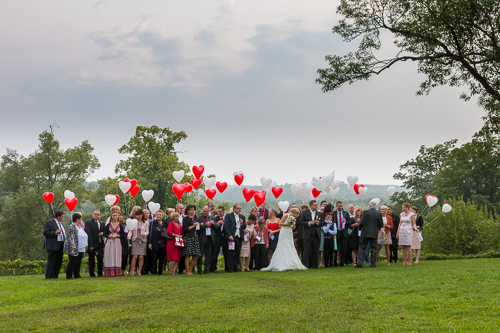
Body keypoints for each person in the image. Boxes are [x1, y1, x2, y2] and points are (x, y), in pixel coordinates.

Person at [357, 200, 384, 268]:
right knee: (374, 248)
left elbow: (361, 222)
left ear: (369, 206)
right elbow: (381, 224)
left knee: (362, 247)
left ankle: (361, 263)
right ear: (376, 206)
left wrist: (359, 228)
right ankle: (373, 264)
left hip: (365, 232)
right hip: (374, 233)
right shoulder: (379, 214)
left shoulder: (365, 212)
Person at [299, 200, 325, 269]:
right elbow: (301, 222)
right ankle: (304, 265)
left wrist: (319, 222)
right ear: (310, 206)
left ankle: (315, 265)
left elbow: (323, 222)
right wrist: (309, 223)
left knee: (315, 250)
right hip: (307, 235)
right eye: (315, 205)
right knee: (306, 251)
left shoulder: (319, 214)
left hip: (316, 235)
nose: (316, 206)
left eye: (316, 205)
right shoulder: (305, 213)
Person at [63, 212, 87, 279]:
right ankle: (69, 275)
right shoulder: (72, 226)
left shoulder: (79, 227)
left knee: (78, 262)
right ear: (77, 219)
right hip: (73, 247)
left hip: (80, 247)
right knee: (73, 262)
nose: (81, 220)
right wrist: (73, 245)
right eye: (80, 219)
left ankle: (77, 274)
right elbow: (71, 236)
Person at [43, 210, 66, 279]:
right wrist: (55, 232)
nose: (63, 218)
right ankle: (48, 275)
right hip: (52, 245)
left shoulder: (61, 223)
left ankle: (55, 275)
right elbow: (45, 232)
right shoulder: (49, 222)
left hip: (60, 244)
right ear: (58, 216)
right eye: (62, 216)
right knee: (52, 261)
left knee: (59, 261)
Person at [224, 204, 246, 273]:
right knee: (230, 253)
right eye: (238, 208)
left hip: (239, 237)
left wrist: (242, 223)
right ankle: (229, 268)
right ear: (234, 209)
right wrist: (229, 235)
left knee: (237, 253)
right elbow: (226, 227)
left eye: (240, 208)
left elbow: (245, 227)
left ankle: (235, 267)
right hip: (231, 237)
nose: (239, 209)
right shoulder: (228, 216)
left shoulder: (242, 217)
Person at [128, 208, 149, 276]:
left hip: (142, 241)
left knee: (141, 257)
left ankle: (139, 271)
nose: (138, 216)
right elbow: (130, 230)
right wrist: (129, 236)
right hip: (135, 240)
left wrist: (144, 234)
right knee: (135, 256)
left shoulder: (146, 223)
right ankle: (132, 271)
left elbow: (147, 231)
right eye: (137, 215)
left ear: (142, 215)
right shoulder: (134, 222)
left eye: (139, 215)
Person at [181, 205, 202, 275]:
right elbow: (185, 229)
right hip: (188, 237)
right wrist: (193, 225)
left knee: (196, 255)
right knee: (188, 254)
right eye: (191, 210)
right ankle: (187, 271)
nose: (193, 211)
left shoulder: (196, 219)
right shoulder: (185, 219)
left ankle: (190, 270)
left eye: (193, 210)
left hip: (195, 237)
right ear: (187, 211)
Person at [103, 212, 124, 277]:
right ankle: (108, 272)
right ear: (111, 216)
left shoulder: (120, 225)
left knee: (116, 255)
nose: (114, 217)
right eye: (113, 215)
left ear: (118, 217)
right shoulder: (108, 225)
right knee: (109, 255)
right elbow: (105, 233)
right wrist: (109, 236)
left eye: (116, 216)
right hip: (110, 241)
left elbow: (123, 234)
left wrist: (117, 236)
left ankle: (116, 272)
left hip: (117, 242)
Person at [85, 210, 105, 277]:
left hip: (100, 243)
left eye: (98, 215)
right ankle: (92, 273)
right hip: (92, 243)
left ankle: (100, 273)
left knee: (100, 259)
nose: (96, 216)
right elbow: (88, 234)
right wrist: (90, 245)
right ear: (92, 214)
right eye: (95, 214)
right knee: (92, 259)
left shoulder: (101, 223)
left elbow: (105, 231)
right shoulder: (89, 223)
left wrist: (103, 233)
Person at [196, 206, 214, 274]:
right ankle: (199, 269)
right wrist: (205, 225)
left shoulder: (211, 217)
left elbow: (216, 227)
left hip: (210, 239)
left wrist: (213, 223)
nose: (205, 213)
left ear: (209, 211)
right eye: (204, 211)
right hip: (202, 239)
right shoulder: (199, 218)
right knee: (200, 255)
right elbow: (198, 228)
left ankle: (207, 269)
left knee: (208, 255)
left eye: (206, 211)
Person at [148, 210, 167, 275]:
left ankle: (160, 271)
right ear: (155, 216)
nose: (159, 216)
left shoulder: (165, 223)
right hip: (154, 242)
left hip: (163, 243)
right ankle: (154, 271)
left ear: (162, 216)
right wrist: (149, 242)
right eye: (157, 214)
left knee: (162, 258)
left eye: (160, 215)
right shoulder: (152, 223)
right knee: (154, 258)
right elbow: (150, 233)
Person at [332, 201, 350, 267]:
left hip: (343, 233)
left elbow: (349, 223)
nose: (340, 207)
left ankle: (342, 262)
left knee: (343, 248)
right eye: (339, 206)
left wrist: (346, 221)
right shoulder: (333, 213)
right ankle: (334, 262)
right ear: (336, 206)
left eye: (341, 206)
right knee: (335, 248)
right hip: (336, 232)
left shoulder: (346, 213)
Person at [212, 206, 227, 273]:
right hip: (217, 237)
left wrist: (224, 225)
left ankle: (227, 267)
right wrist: (218, 224)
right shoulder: (216, 218)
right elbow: (214, 228)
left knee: (226, 253)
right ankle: (213, 268)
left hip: (225, 238)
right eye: (218, 211)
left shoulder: (226, 218)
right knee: (215, 252)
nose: (219, 213)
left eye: (220, 211)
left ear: (223, 211)